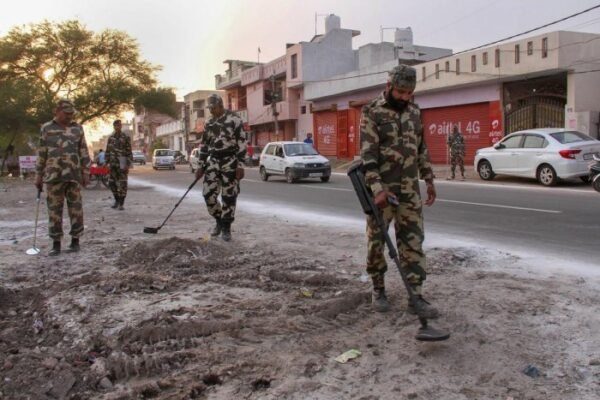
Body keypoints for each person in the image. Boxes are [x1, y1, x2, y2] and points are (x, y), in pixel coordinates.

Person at [360, 65, 439, 318]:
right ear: (389, 86)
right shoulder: (372, 112)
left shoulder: (415, 112)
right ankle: (378, 289)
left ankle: (415, 296)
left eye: (410, 93)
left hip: (409, 191)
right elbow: (368, 155)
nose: (405, 97)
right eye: (401, 92)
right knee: (376, 242)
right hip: (382, 191)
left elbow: (421, 148)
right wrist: (376, 188)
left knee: (413, 242)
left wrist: (428, 179)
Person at [35, 99, 90, 256]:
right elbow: (42, 153)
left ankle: (75, 242)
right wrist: (38, 175)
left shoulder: (78, 128)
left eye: (71, 113)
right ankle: (56, 244)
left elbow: (83, 151)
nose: (69, 116)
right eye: (66, 113)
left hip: (73, 176)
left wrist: (86, 172)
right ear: (57, 111)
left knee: (76, 210)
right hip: (53, 176)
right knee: (54, 211)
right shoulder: (46, 128)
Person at [195, 94, 246, 242]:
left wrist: (240, 166)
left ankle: (226, 227)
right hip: (214, 160)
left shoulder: (235, 119)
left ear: (220, 105)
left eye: (213, 108)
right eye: (209, 108)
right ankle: (219, 220)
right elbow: (204, 145)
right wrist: (201, 165)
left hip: (230, 161)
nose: (211, 111)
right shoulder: (209, 122)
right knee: (207, 194)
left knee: (229, 196)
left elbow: (242, 143)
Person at [105, 120, 133, 210]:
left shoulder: (125, 137)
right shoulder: (111, 138)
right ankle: (116, 200)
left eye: (119, 125)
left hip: (122, 161)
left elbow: (129, 152)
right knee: (111, 183)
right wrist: (106, 162)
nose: (118, 127)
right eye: (116, 125)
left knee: (123, 184)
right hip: (113, 162)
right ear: (114, 126)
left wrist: (128, 165)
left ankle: (121, 203)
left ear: (121, 126)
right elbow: (108, 151)